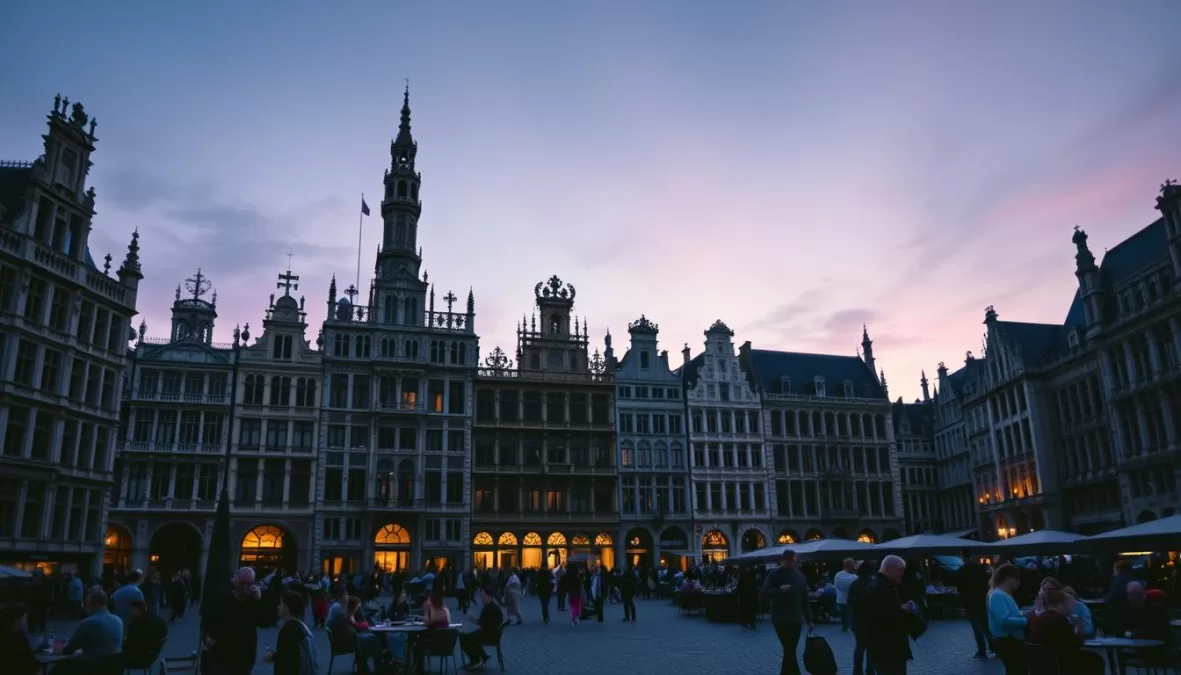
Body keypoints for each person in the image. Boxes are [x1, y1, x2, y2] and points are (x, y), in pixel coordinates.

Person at [202, 567, 267, 675]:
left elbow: (264, 621)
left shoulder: (254, 603)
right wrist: (207, 638)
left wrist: (259, 601)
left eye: (249, 584)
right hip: (222, 656)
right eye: (242, 583)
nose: (245, 587)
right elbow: (208, 623)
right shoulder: (222, 602)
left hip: (244, 658)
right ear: (235, 582)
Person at [1028, 578, 1101, 674]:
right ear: (1060, 603)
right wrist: (1078, 630)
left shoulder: (1038, 617)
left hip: (1041, 665)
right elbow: (1072, 646)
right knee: (1096, 660)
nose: (1070, 608)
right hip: (1059, 663)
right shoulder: (1059, 620)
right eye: (1069, 605)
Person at [760, 549, 813, 675]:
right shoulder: (774, 574)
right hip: (780, 618)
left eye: (792, 561)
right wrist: (779, 591)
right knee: (789, 648)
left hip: (795, 618)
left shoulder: (800, 577)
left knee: (790, 649)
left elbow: (805, 600)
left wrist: (809, 619)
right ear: (783, 560)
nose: (790, 563)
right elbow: (763, 593)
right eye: (788, 561)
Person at [861, 555, 917, 675]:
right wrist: (903, 610)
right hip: (888, 649)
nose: (901, 574)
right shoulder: (880, 588)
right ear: (888, 569)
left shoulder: (881, 585)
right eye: (899, 570)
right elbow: (883, 617)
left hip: (887, 649)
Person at [56, 587, 124, 674]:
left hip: (92, 667)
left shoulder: (88, 622)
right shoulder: (118, 620)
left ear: (90, 604)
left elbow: (70, 649)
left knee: (59, 668)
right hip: (113, 667)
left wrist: (58, 648)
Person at [327, 585, 384, 675]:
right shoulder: (339, 610)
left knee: (368, 639)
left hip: (342, 639)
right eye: (346, 595)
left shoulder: (336, 607)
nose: (348, 597)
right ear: (341, 597)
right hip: (344, 642)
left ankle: (362, 667)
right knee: (372, 639)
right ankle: (379, 666)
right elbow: (349, 627)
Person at [986, 563, 1029, 675]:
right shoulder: (998, 595)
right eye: (1016, 579)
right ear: (1007, 578)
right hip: (1008, 641)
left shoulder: (1002, 595)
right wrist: (1026, 620)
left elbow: (1011, 614)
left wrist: (1025, 613)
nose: (1018, 582)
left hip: (1009, 640)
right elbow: (1004, 620)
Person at [264, 590, 316, 675]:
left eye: (281, 604)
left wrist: (271, 657)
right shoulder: (300, 626)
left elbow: (286, 658)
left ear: (287, 607)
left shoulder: (289, 629)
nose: (278, 607)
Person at [955, 550, 992, 659]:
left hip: (969, 602)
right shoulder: (980, 569)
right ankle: (994, 647)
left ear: (962, 557)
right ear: (971, 556)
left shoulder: (962, 571)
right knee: (986, 626)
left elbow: (959, 586)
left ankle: (982, 651)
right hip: (981, 600)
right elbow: (987, 583)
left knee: (977, 628)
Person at [461, 586, 505, 671]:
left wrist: (470, 618)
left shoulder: (489, 608)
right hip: (493, 633)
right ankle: (483, 656)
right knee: (470, 636)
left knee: (464, 638)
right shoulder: (493, 606)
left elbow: (481, 623)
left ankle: (475, 660)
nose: (482, 599)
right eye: (481, 597)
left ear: (490, 596)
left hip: (489, 635)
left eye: (484, 597)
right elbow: (484, 622)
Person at [847, 560, 878, 675]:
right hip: (872, 620)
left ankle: (857, 671)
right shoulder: (874, 584)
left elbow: (850, 602)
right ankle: (870, 670)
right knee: (871, 647)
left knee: (860, 646)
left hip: (857, 619)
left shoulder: (854, 584)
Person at [123, 598, 169, 667]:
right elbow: (165, 630)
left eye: (132, 610)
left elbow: (130, 644)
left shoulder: (137, 625)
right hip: (152, 653)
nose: (130, 612)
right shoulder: (155, 617)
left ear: (138, 609)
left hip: (141, 657)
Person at [0, 602, 41, 675]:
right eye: (25, 617)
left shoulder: (5, 636)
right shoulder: (18, 638)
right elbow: (30, 664)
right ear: (16, 620)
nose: (26, 621)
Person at [833, 558, 858, 632]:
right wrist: (856, 577)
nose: (854, 566)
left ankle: (848, 627)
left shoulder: (853, 575)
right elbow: (843, 586)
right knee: (847, 617)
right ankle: (847, 628)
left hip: (849, 600)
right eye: (853, 564)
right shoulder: (840, 575)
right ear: (848, 565)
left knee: (850, 617)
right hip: (843, 600)